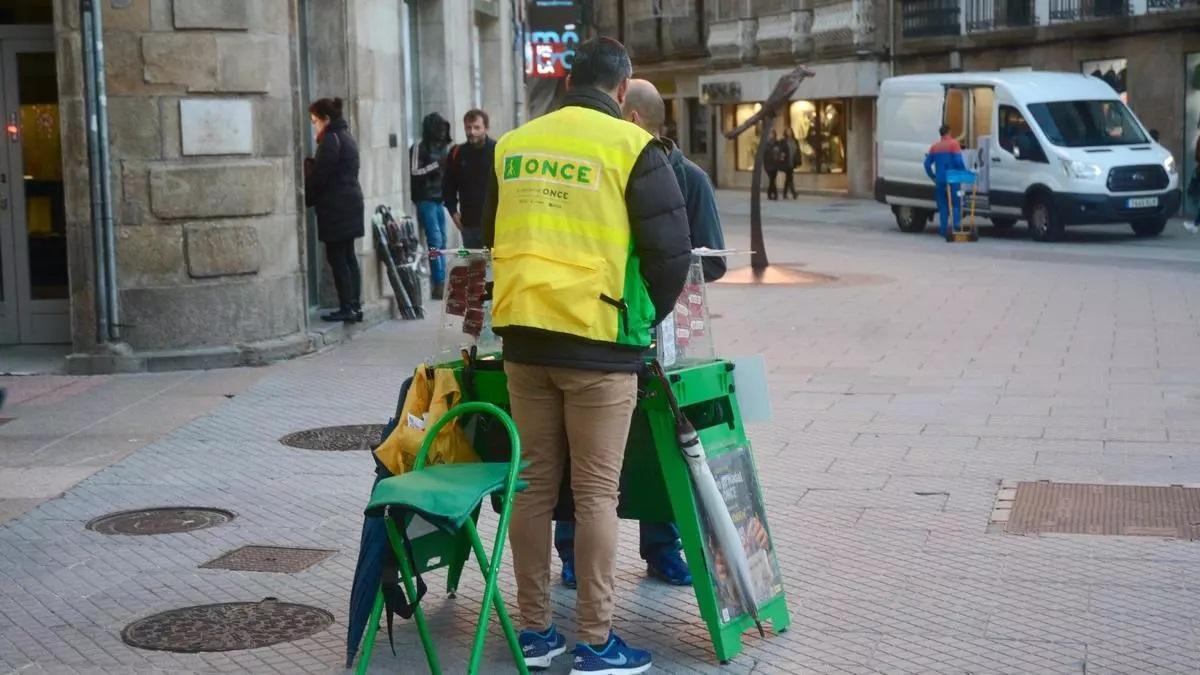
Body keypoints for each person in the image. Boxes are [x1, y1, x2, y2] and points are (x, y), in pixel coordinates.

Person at [482, 36, 690, 674]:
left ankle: (536, 631)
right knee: (597, 493)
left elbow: (492, 232)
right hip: (599, 347)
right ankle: (597, 642)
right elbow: (671, 254)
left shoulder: (514, 145)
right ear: (623, 88)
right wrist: (640, 316)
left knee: (533, 486)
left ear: (571, 81)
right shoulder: (633, 148)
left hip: (523, 340)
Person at [551, 77, 727, 592]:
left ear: (632, 119)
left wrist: (660, 282)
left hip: (661, 336)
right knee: (577, 447)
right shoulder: (597, 168)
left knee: (663, 440)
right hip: (592, 333)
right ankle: (571, 552)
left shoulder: (688, 178)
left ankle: (663, 547)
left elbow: (711, 260)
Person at [304, 97, 364, 322]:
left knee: (338, 257)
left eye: (314, 120)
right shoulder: (345, 136)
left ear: (326, 119)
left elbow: (321, 175)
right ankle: (354, 306)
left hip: (337, 207)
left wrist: (308, 193)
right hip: (349, 204)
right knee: (348, 256)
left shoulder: (330, 139)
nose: (313, 125)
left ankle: (347, 307)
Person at [410, 113, 452, 299]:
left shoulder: (442, 148)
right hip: (425, 198)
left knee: (442, 240)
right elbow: (415, 172)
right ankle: (439, 281)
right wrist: (435, 166)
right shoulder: (419, 147)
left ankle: (442, 281)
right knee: (435, 240)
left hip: (438, 198)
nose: (442, 133)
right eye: (440, 129)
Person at [443, 109, 496, 249]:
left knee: (495, 268)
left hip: (495, 225)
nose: (472, 132)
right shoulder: (457, 153)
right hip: (469, 224)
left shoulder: (498, 151)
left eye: (477, 127)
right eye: (468, 127)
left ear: (486, 128)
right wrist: (453, 212)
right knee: (474, 268)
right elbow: (448, 186)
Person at [924, 124, 966, 238]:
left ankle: (943, 231)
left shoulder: (935, 147)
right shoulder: (954, 144)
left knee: (943, 206)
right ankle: (956, 227)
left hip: (940, 180)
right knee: (957, 203)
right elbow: (958, 161)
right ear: (949, 132)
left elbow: (927, 164)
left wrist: (933, 176)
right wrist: (963, 172)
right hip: (954, 178)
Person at [763, 129, 782, 200]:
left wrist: (779, 158)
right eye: (770, 134)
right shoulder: (765, 144)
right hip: (768, 164)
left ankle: (769, 193)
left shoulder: (777, 143)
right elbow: (764, 155)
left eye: (772, 134)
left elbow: (779, 153)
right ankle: (775, 194)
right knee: (771, 179)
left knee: (772, 179)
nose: (771, 135)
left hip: (775, 164)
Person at [782, 127, 800, 199]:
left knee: (788, 178)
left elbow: (797, 151)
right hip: (786, 161)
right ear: (785, 133)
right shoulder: (784, 141)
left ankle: (785, 193)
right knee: (790, 177)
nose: (789, 133)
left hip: (793, 161)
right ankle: (793, 193)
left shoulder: (795, 141)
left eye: (790, 131)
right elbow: (782, 150)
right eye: (787, 131)